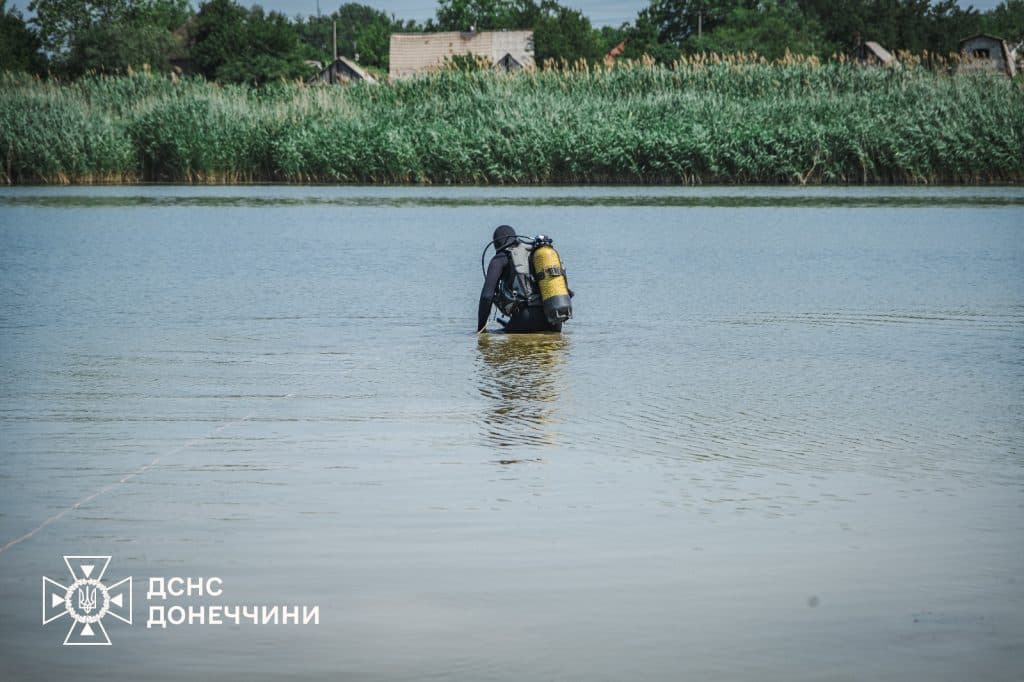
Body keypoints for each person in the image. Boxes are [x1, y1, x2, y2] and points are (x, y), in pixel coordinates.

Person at [477, 225, 571, 333]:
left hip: (525, 319)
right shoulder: (538, 255)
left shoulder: (501, 257)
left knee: (497, 336)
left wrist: (481, 329)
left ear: (496, 244)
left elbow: (486, 297)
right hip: (554, 319)